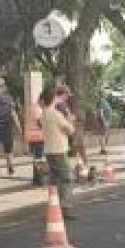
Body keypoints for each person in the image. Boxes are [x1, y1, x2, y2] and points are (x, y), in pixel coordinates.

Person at [40, 85, 78, 218]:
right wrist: (69, 119)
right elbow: (70, 130)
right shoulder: (56, 114)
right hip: (59, 150)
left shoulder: (43, 113)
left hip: (49, 150)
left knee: (54, 179)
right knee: (67, 178)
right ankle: (65, 208)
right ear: (53, 98)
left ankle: (53, 206)